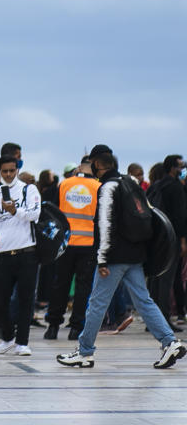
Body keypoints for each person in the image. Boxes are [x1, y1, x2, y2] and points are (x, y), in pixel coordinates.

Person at [58, 145, 187, 369]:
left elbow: (105, 225)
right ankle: (170, 342)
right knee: (144, 301)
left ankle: (85, 352)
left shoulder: (107, 187)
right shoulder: (131, 182)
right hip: (135, 255)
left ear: (97, 164)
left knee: (97, 303)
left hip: (114, 258)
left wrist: (102, 259)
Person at [0, 154, 41, 356]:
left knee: (25, 300)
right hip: (4, 254)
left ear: (17, 170)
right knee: (0, 301)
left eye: (11, 171)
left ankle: (22, 342)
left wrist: (16, 211)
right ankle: (7, 338)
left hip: (27, 253)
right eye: (4, 171)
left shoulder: (28, 189)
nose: (8, 175)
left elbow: (35, 213)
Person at [45, 158, 100, 340]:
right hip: (88, 244)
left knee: (60, 284)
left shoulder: (64, 185)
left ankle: (52, 326)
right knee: (83, 288)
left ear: (79, 167)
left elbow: (53, 212)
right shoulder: (98, 187)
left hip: (65, 243)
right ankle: (76, 328)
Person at [146, 154, 187, 330]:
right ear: (172, 168)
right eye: (179, 166)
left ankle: (152, 320)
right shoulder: (176, 187)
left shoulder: (156, 186)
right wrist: (183, 241)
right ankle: (163, 320)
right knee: (167, 280)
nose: (182, 169)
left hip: (156, 238)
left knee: (156, 279)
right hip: (172, 238)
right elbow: (180, 217)